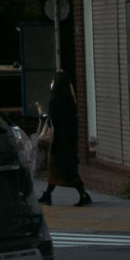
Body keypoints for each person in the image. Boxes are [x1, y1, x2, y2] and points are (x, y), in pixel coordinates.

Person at [39, 69, 91, 207]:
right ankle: (47, 194)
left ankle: (82, 194)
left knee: (64, 170)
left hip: (59, 140)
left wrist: (43, 115)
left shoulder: (54, 99)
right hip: (69, 139)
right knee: (57, 168)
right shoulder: (70, 99)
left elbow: (54, 119)